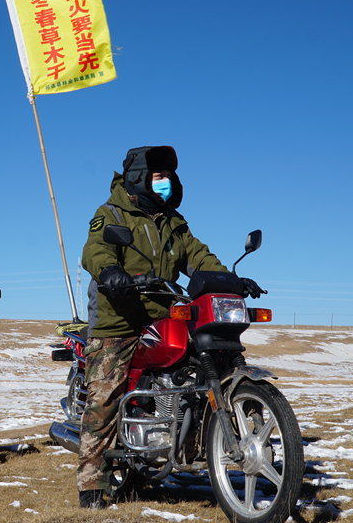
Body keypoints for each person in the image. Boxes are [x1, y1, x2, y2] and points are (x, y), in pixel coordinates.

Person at [77, 146, 262, 508]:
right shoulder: (111, 213)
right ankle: (91, 483)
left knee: (211, 355)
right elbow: (95, 250)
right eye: (157, 176)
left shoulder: (174, 222)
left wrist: (229, 279)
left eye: (168, 176)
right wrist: (110, 272)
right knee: (104, 396)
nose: (165, 182)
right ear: (137, 178)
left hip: (163, 312)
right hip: (119, 318)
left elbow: (199, 256)